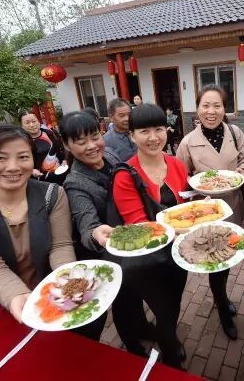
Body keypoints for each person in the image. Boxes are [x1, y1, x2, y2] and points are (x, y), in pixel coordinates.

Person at [0, 126, 93, 331]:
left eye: (23, 157)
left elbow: (60, 245)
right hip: (5, 300)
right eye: (0, 158)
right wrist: (16, 295)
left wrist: (68, 284)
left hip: (54, 293)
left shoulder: (52, 195)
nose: (13, 167)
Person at [61, 112, 161, 351]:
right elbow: (86, 224)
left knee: (136, 292)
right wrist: (95, 233)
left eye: (94, 136)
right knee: (122, 299)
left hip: (131, 239)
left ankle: (142, 327)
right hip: (109, 250)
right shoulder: (75, 183)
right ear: (66, 145)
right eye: (81, 141)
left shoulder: (110, 155)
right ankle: (131, 344)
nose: (91, 146)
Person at [112, 104, 189, 368]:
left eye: (158, 129)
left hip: (177, 254)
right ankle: (170, 352)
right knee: (164, 309)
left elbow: (184, 205)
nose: (153, 137)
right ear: (132, 136)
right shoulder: (125, 175)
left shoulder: (177, 165)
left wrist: (200, 208)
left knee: (174, 303)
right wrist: (180, 229)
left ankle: (168, 337)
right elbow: (139, 226)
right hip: (146, 260)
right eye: (144, 131)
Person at [176, 84, 244, 340]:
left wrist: (240, 171)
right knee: (215, 262)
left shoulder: (235, 132)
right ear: (197, 109)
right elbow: (181, 178)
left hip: (234, 205)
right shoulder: (188, 142)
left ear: (224, 108)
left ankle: (223, 298)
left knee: (229, 255)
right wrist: (194, 187)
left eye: (217, 105)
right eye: (205, 105)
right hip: (207, 211)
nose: (211, 111)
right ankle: (221, 306)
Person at [19, 111, 67, 185]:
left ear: (38, 122)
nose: (32, 125)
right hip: (43, 180)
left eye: (34, 121)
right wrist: (32, 171)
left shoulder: (50, 133)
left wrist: (65, 159)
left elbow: (61, 147)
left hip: (62, 172)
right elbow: (20, 162)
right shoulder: (22, 142)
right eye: (27, 123)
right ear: (22, 126)